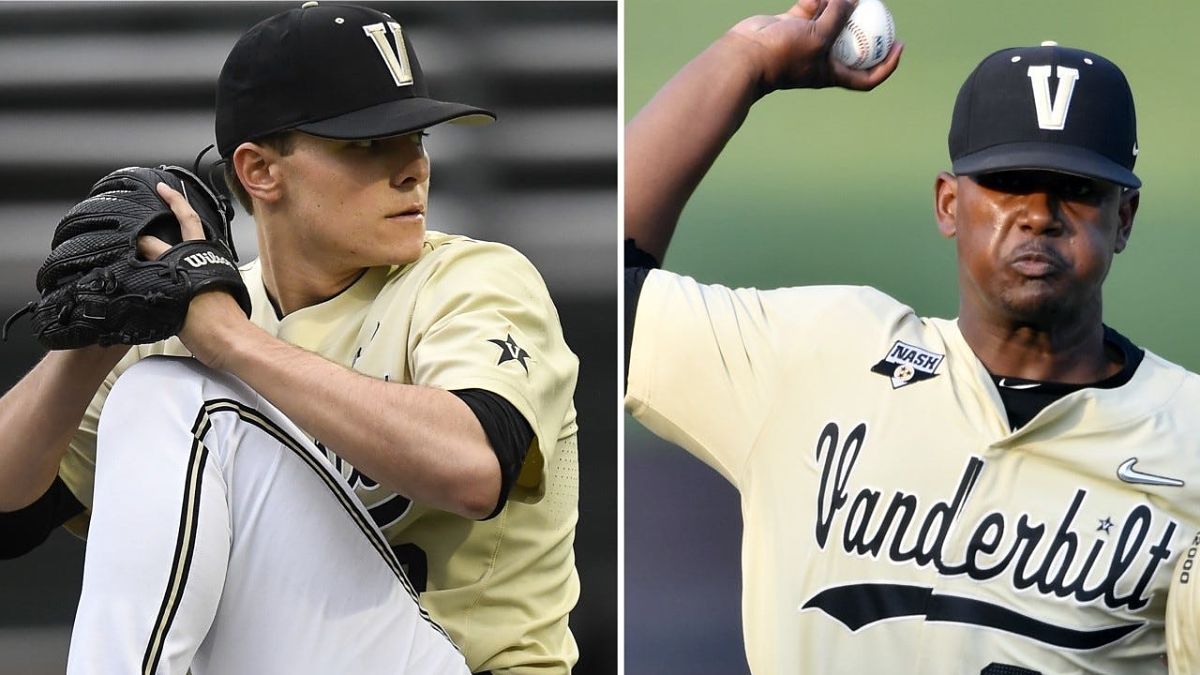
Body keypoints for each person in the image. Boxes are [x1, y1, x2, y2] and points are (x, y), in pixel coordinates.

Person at [0, 2, 580, 673]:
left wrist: (233, 343)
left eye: (416, 136)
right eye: (367, 144)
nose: (412, 168)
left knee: (175, 393)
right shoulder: (192, 319)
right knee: (155, 382)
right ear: (260, 171)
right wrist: (87, 348)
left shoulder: (470, 278)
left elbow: (474, 469)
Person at [624, 0, 1200, 672]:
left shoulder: (1188, 436)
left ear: (1123, 217)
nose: (1039, 215)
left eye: (1075, 189)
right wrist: (744, 60)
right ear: (949, 204)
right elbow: (612, 289)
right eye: (1010, 182)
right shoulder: (818, 356)